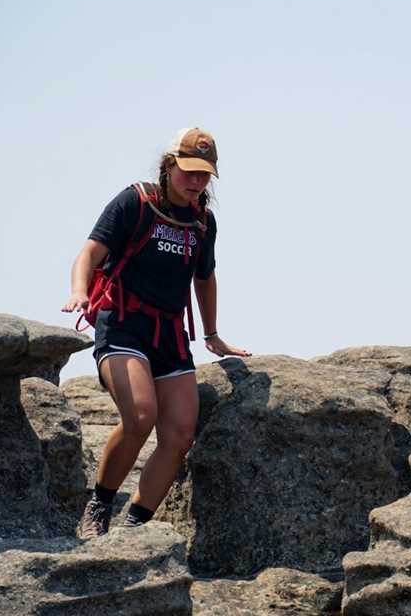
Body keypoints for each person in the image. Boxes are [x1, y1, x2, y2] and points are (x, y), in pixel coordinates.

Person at [62, 127, 250, 539]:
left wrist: (213, 334)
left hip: (169, 333)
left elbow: (205, 277)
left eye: (204, 175)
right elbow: (90, 252)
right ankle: (99, 507)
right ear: (169, 167)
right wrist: (78, 291)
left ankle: (134, 527)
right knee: (141, 416)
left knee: (180, 432)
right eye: (189, 173)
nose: (197, 182)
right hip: (123, 324)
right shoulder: (136, 201)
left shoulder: (203, 221)